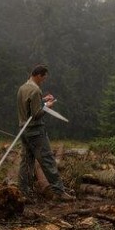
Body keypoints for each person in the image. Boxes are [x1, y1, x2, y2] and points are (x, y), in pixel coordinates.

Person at [16, 64, 73, 200]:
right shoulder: (35, 90)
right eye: (43, 78)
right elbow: (36, 114)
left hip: (24, 130)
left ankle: (23, 193)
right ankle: (59, 192)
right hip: (36, 131)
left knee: (26, 162)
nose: (44, 80)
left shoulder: (22, 88)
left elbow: (28, 105)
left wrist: (43, 101)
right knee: (47, 160)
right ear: (38, 75)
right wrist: (48, 106)